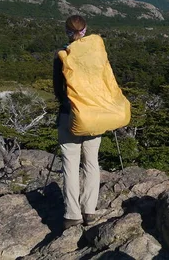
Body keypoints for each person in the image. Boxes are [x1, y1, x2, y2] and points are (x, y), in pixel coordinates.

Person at [53, 14, 102, 229]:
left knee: (70, 165)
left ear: (66, 32)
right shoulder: (96, 54)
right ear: (85, 30)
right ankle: (89, 210)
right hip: (93, 115)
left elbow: (57, 89)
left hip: (70, 114)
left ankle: (72, 214)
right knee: (91, 162)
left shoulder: (62, 55)